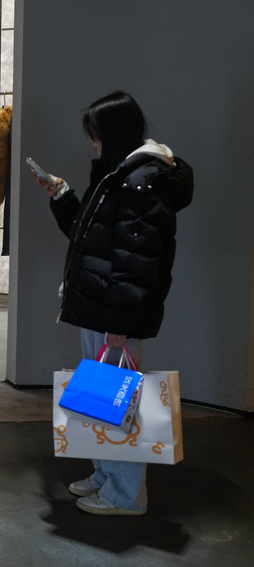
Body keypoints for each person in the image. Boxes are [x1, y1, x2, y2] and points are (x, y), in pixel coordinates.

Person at [34, 91, 193, 516]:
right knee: (103, 403)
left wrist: (119, 323)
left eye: (96, 135)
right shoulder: (121, 176)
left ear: (114, 133)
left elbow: (135, 262)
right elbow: (95, 242)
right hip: (100, 310)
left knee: (119, 405)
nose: (92, 143)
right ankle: (107, 475)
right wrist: (63, 197)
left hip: (114, 316)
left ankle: (126, 495)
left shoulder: (142, 182)